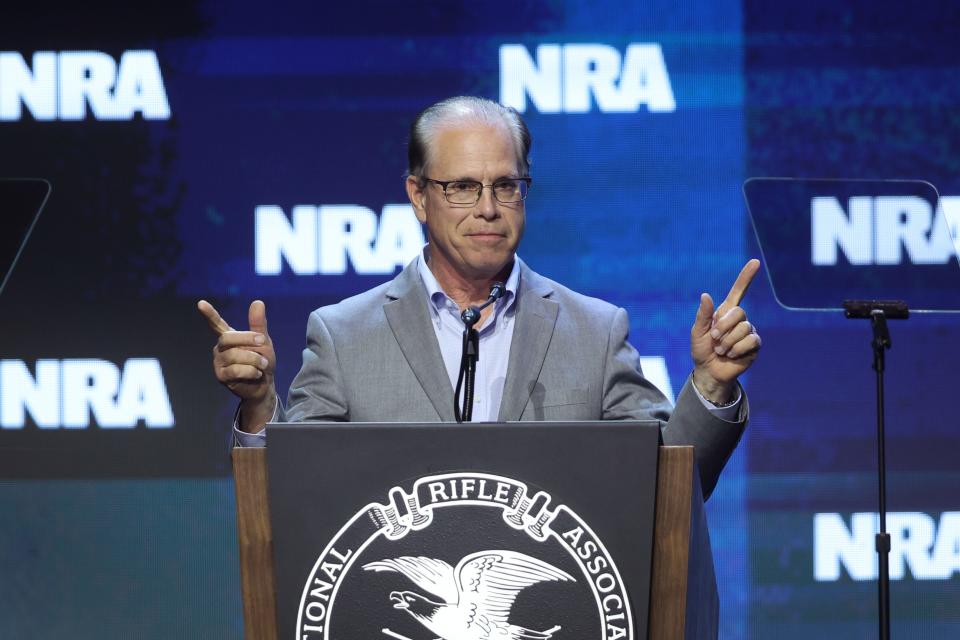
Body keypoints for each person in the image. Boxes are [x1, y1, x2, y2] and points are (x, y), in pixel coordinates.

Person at [197, 96, 761, 498]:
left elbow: (670, 485)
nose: (488, 208)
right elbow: (292, 496)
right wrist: (257, 406)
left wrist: (711, 384)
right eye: (462, 187)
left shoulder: (595, 330)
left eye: (506, 186)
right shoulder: (344, 335)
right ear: (418, 196)